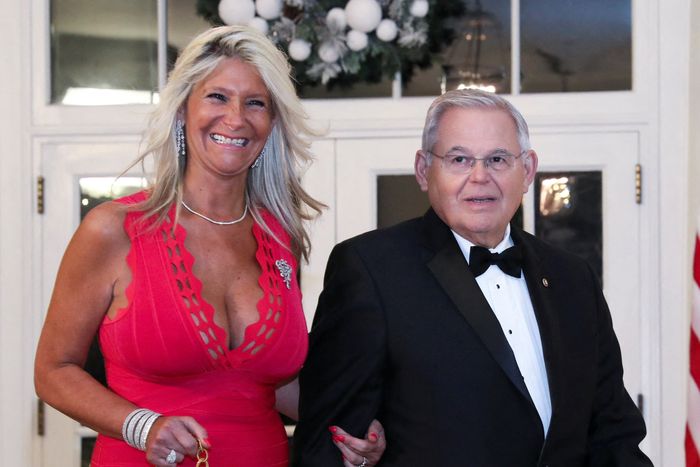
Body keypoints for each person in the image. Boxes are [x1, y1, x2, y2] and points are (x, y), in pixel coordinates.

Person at [34, 26, 385, 467]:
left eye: (255, 103)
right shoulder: (114, 229)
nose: (236, 118)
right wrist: (141, 425)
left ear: (272, 123)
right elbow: (53, 370)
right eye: (218, 97)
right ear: (183, 109)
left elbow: (269, 385)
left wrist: (351, 428)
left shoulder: (280, 238)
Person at [293, 89, 653, 466]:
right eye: (459, 159)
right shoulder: (370, 269)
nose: (480, 177)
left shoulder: (573, 278)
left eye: (497, 159)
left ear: (528, 170)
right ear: (423, 170)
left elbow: (613, 432)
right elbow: (327, 443)